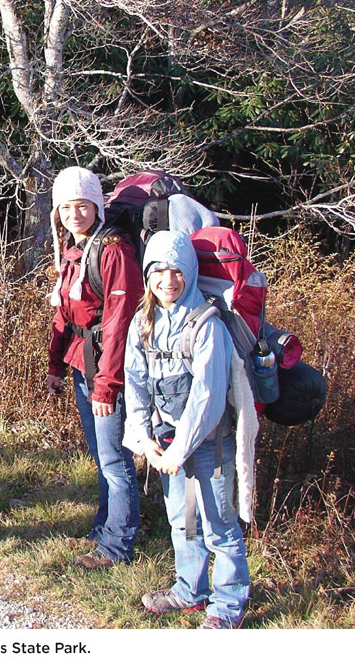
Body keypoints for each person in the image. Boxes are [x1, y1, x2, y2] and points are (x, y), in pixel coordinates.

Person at [122, 230, 251, 629]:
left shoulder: (208, 325)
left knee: (220, 526)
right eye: (158, 270)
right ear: (147, 275)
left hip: (210, 444)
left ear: (190, 273)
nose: (167, 280)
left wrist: (180, 451)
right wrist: (144, 439)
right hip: (166, 441)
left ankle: (227, 607)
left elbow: (207, 396)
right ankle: (189, 591)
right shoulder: (142, 322)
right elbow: (135, 382)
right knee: (183, 519)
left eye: (177, 270)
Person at [46, 166, 143, 570]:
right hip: (82, 364)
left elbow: (119, 322)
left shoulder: (114, 250)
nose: (74, 213)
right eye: (66, 208)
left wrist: (107, 385)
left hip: (107, 368)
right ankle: (106, 527)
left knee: (115, 459)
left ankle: (117, 545)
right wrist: (55, 364)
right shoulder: (75, 250)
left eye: (82, 205)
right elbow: (65, 316)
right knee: (103, 455)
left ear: (97, 206)